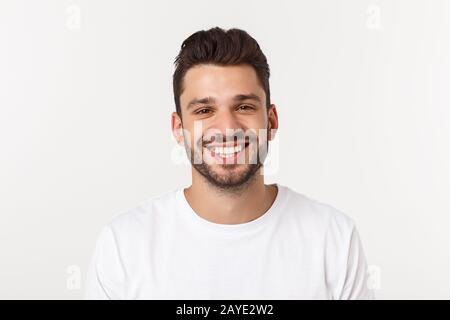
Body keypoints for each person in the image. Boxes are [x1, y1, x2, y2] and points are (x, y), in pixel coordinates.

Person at [84, 27, 375, 300]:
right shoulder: (124, 245)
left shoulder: (333, 239)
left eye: (244, 106)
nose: (226, 127)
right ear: (178, 128)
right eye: (204, 110)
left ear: (271, 120)